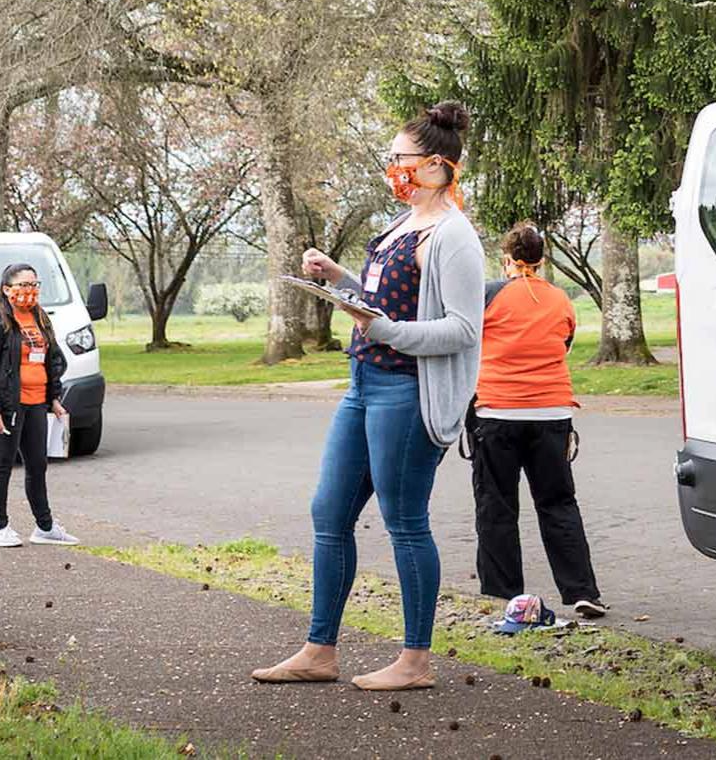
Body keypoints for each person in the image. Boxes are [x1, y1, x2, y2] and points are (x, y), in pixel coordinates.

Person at [253, 102, 484, 692]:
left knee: (405, 522)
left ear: (435, 166)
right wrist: (339, 280)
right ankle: (319, 650)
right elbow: (387, 302)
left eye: (399, 158)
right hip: (362, 385)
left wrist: (382, 330)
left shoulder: (453, 235)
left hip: (406, 393)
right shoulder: (402, 225)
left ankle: (415, 661)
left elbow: (461, 329)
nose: (391, 168)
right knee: (328, 513)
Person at [469, 221, 607, 619]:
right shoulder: (561, 300)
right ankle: (582, 591)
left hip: (498, 411)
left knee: (496, 504)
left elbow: (469, 343)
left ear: (507, 260)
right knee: (558, 502)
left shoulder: (488, 296)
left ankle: (502, 593)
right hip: (551, 413)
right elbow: (563, 343)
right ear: (541, 260)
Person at [0, 263, 78, 547]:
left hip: (35, 405)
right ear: (7, 290)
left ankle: (45, 527)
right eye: (23, 285)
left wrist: (54, 398)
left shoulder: (39, 318)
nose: (29, 291)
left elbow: (52, 360)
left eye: (34, 285)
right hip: (7, 408)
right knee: (2, 465)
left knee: (37, 465)